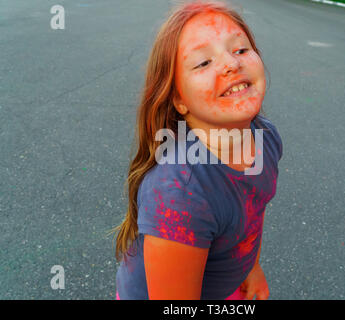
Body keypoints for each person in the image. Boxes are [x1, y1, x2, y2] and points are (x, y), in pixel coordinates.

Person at [113, 0, 282, 300]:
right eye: (203, 62)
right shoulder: (180, 194)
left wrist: (251, 268)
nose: (231, 63)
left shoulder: (266, 137)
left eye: (240, 49)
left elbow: (254, 211)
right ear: (179, 100)